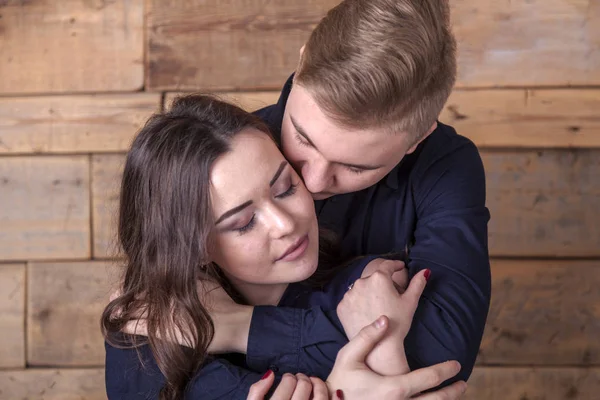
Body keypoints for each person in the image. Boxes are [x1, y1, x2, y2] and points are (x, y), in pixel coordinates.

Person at [200, 0, 491, 389]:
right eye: (303, 137)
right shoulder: (219, 151)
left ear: (419, 138)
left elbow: (442, 350)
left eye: (356, 167)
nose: (314, 182)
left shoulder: (448, 165)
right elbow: (144, 369)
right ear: (301, 64)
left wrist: (239, 328)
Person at [102, 95, 467, 399]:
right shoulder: (145, 328)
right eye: (243, 222)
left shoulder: (370, 288)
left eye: (287, 188)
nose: (286, 224)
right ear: (193, 247)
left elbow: (439, 366)